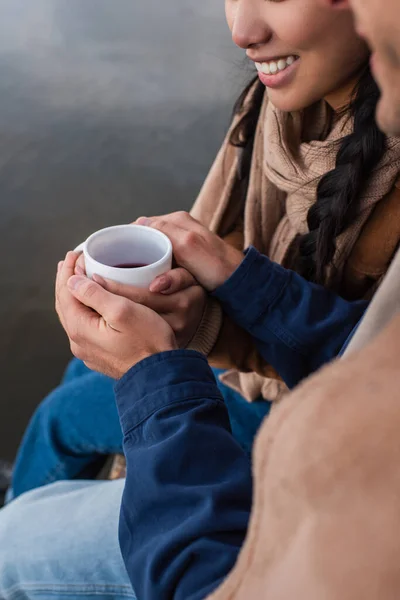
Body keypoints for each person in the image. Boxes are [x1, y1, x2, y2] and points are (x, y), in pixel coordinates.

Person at [1, 0, 400, 598]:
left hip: (286, 447)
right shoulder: (283, 106)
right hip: (292, 396)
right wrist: (227, 298)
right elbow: (366, 348)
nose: (242, 31)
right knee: (75, 376)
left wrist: (152, 374)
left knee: (21, 527)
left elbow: (198, 581)